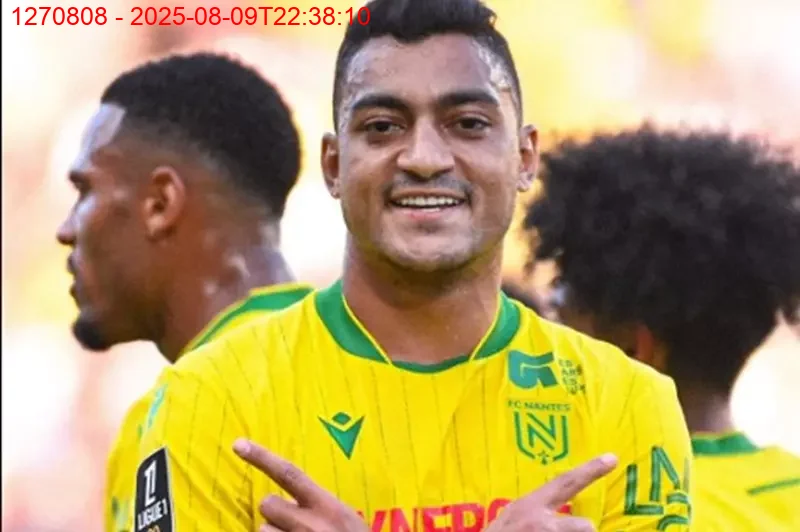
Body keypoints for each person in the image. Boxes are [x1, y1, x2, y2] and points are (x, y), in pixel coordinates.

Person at [134, 1, 692, 531]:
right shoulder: (208, 399)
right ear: (333, 165)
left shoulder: (628, 404)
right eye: (382, 127)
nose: (424, 158)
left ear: (524, 158)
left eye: (467, 123)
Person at [55, 52, 312, 532]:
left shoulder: (183, 405)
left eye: (85, 190)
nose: (65, 230)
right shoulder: (383, 357)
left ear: (160, 203)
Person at [523, 124, 800, 531]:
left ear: (633, 350)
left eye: (561, 316)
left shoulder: (606, 508)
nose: (543, 341)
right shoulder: (789, 486)